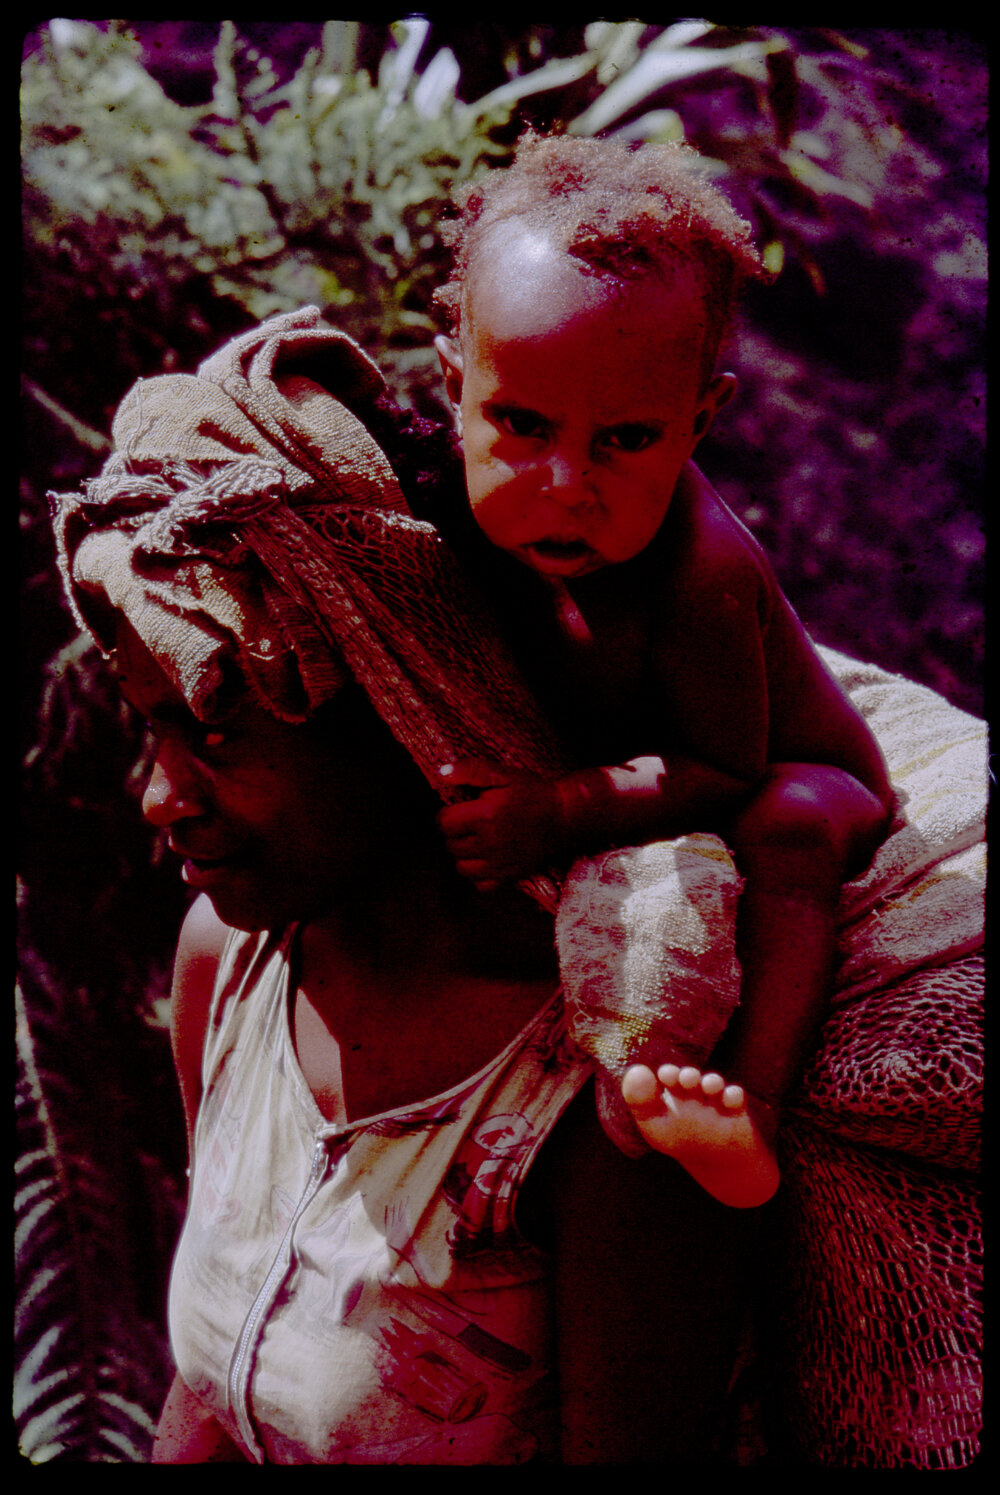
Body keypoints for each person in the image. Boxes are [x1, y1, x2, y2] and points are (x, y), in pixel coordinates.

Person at [49, 309, 759, 1464]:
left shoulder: (595, 1087)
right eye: (153, 733)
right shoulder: (226, 967)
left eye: (219, 737)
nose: (160, 798)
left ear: (391, 712)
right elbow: (218, 1392)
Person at [428, 133, 895, 1208]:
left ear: (702, 420)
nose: (565, 483)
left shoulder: (702, 573)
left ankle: (748, 1121)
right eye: (519, 424)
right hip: (655, 760)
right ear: (455, 386)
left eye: (624, 440)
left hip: (790, 779)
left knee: (785, 822)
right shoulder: (445, 503)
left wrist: (559, 809)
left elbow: (725, 765)